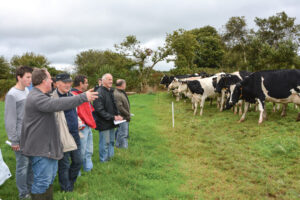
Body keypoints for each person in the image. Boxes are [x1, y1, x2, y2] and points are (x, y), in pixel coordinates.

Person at [20, 68, 98, 199]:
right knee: (42, 182)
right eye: (50, 78)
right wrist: (83, 97)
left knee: (48, 180)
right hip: (41, 149)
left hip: (48, 147)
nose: (52, 81)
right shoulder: (36, 97)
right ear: (44, 81)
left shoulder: (41, 95)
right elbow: (57, 103)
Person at [5, 66, 33, 200]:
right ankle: (23, 194)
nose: (30, 80)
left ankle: (31, 188)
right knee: (23, 166)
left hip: (30, 134)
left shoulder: (27, 90)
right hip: (20, 137)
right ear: (19, 77)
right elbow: (10, 119)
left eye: (31, 77)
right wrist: (14, 140)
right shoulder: (12, 94)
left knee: (31, 164)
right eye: (27, 77)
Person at [53, 73, 82, 192]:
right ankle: (66, 189)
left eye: (69, 82)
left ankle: (71, 182)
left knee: (78, 161)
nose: (68, 84)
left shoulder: (71, 95)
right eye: (65, 82)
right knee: (64, 164)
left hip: (75, 134)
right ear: (57, 83)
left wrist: (79, 122)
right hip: (63, 136)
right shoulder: (52, 98)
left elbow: (75, 113)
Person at [93, 73, 123, 162]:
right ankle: (104, 161)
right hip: (103, 123)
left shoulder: (110, 91)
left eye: (111, 79)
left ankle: (111, 158)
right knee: (105, 143)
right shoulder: (99, 92)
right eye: (109, 79)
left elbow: (114, 105)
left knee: (111, 142)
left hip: (111, 122)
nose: (111, 81)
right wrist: (113, 117)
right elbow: (99, 110)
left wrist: (117, 115)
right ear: (103, 81)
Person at [71, 75, 96, 172]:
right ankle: (77, 172)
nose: (87, 84)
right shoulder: (73, 95)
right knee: (81, 151)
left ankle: (88, 169)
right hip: (81, 127)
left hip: (88, 125)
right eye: (86, 82)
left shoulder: (83, 95)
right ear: (81, 83)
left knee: (89, 149)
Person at [113, 79, 131, 149]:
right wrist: (127, 114)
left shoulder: (120, 92)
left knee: (120, 132)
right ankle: (123, 148)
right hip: (122, 117)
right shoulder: (117, 94)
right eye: (125, 84)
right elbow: (119, 107)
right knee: (123, 134)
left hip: (123, 116)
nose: (125, 85)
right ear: (122, 85)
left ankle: (118, 145)